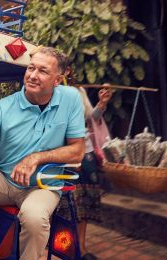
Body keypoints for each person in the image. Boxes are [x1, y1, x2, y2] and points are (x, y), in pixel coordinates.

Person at [0, 47, 86, 259]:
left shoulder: (71, 99)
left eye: (43, 71)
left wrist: (36, 158)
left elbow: (78, 151)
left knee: (34, 217)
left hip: (42, 186)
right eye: (31, 68)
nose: (33, 75)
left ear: (57, 79)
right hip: (4, 182)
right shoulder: (3, 107)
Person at [69, 85, 112, 260]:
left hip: (86, 152)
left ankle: (81, 246)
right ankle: (65, 245)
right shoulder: (51, 92)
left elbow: (90, 118)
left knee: (84, 203)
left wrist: (102, 103)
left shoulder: (79, 91)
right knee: (69, 203)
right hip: (65, 153)